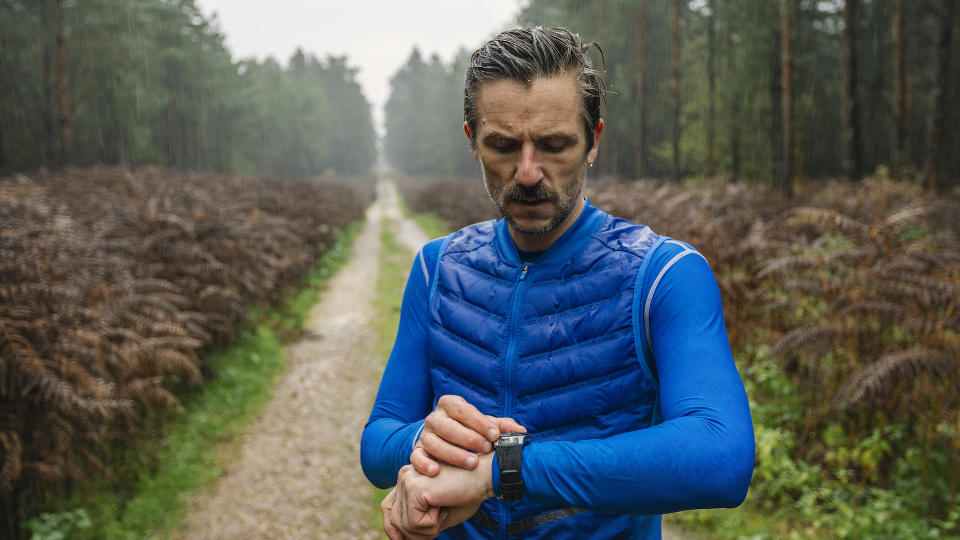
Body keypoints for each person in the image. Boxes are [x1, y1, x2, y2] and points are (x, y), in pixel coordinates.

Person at [360, 26, 755, 539]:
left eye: (554, 144)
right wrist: (426, 441)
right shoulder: (437, 267)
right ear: (472, 143)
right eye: (503, 145)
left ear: (593, 141)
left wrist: (501, 470)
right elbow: (378, 442)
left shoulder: (663, 276)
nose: (527, 173)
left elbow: (721, 456)